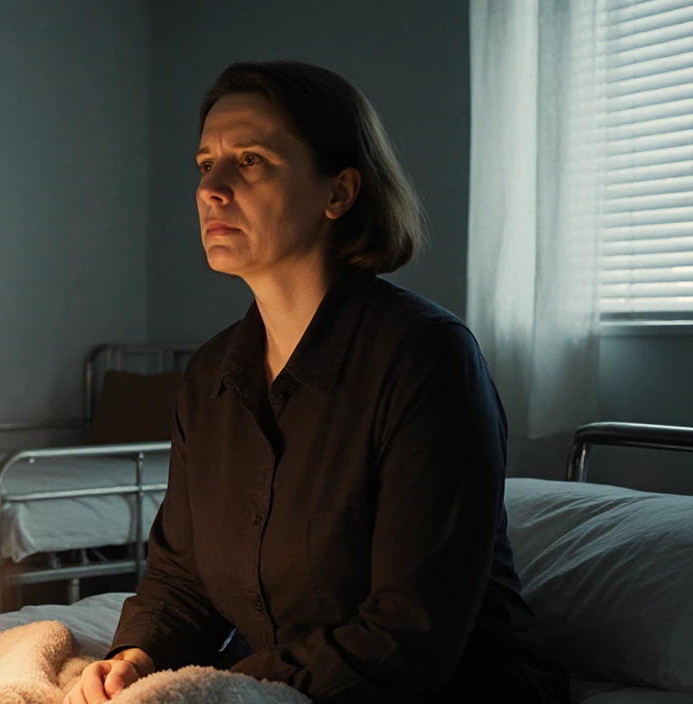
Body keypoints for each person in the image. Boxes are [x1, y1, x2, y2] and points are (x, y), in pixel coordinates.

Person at [66, 61, 569, 704]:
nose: (211, 188)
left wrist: (213, 689)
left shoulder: (426, 359)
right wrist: (139, 658)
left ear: (338, 193)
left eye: (249, 160)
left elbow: (409, 634)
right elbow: (182, 579)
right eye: (203, 164)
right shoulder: (209, 377)